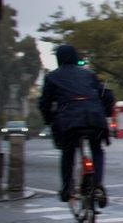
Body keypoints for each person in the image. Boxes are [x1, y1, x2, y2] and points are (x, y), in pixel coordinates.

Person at [39, 43, 114, 206]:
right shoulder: (89, 75)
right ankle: (98, 184)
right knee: (97, 150)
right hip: (95, 118)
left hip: (68, 121)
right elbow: (107, 95)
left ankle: (67, 189)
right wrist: (106, 113)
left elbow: (44, 103)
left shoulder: (52, 77)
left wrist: (49, 119)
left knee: (68, 152)